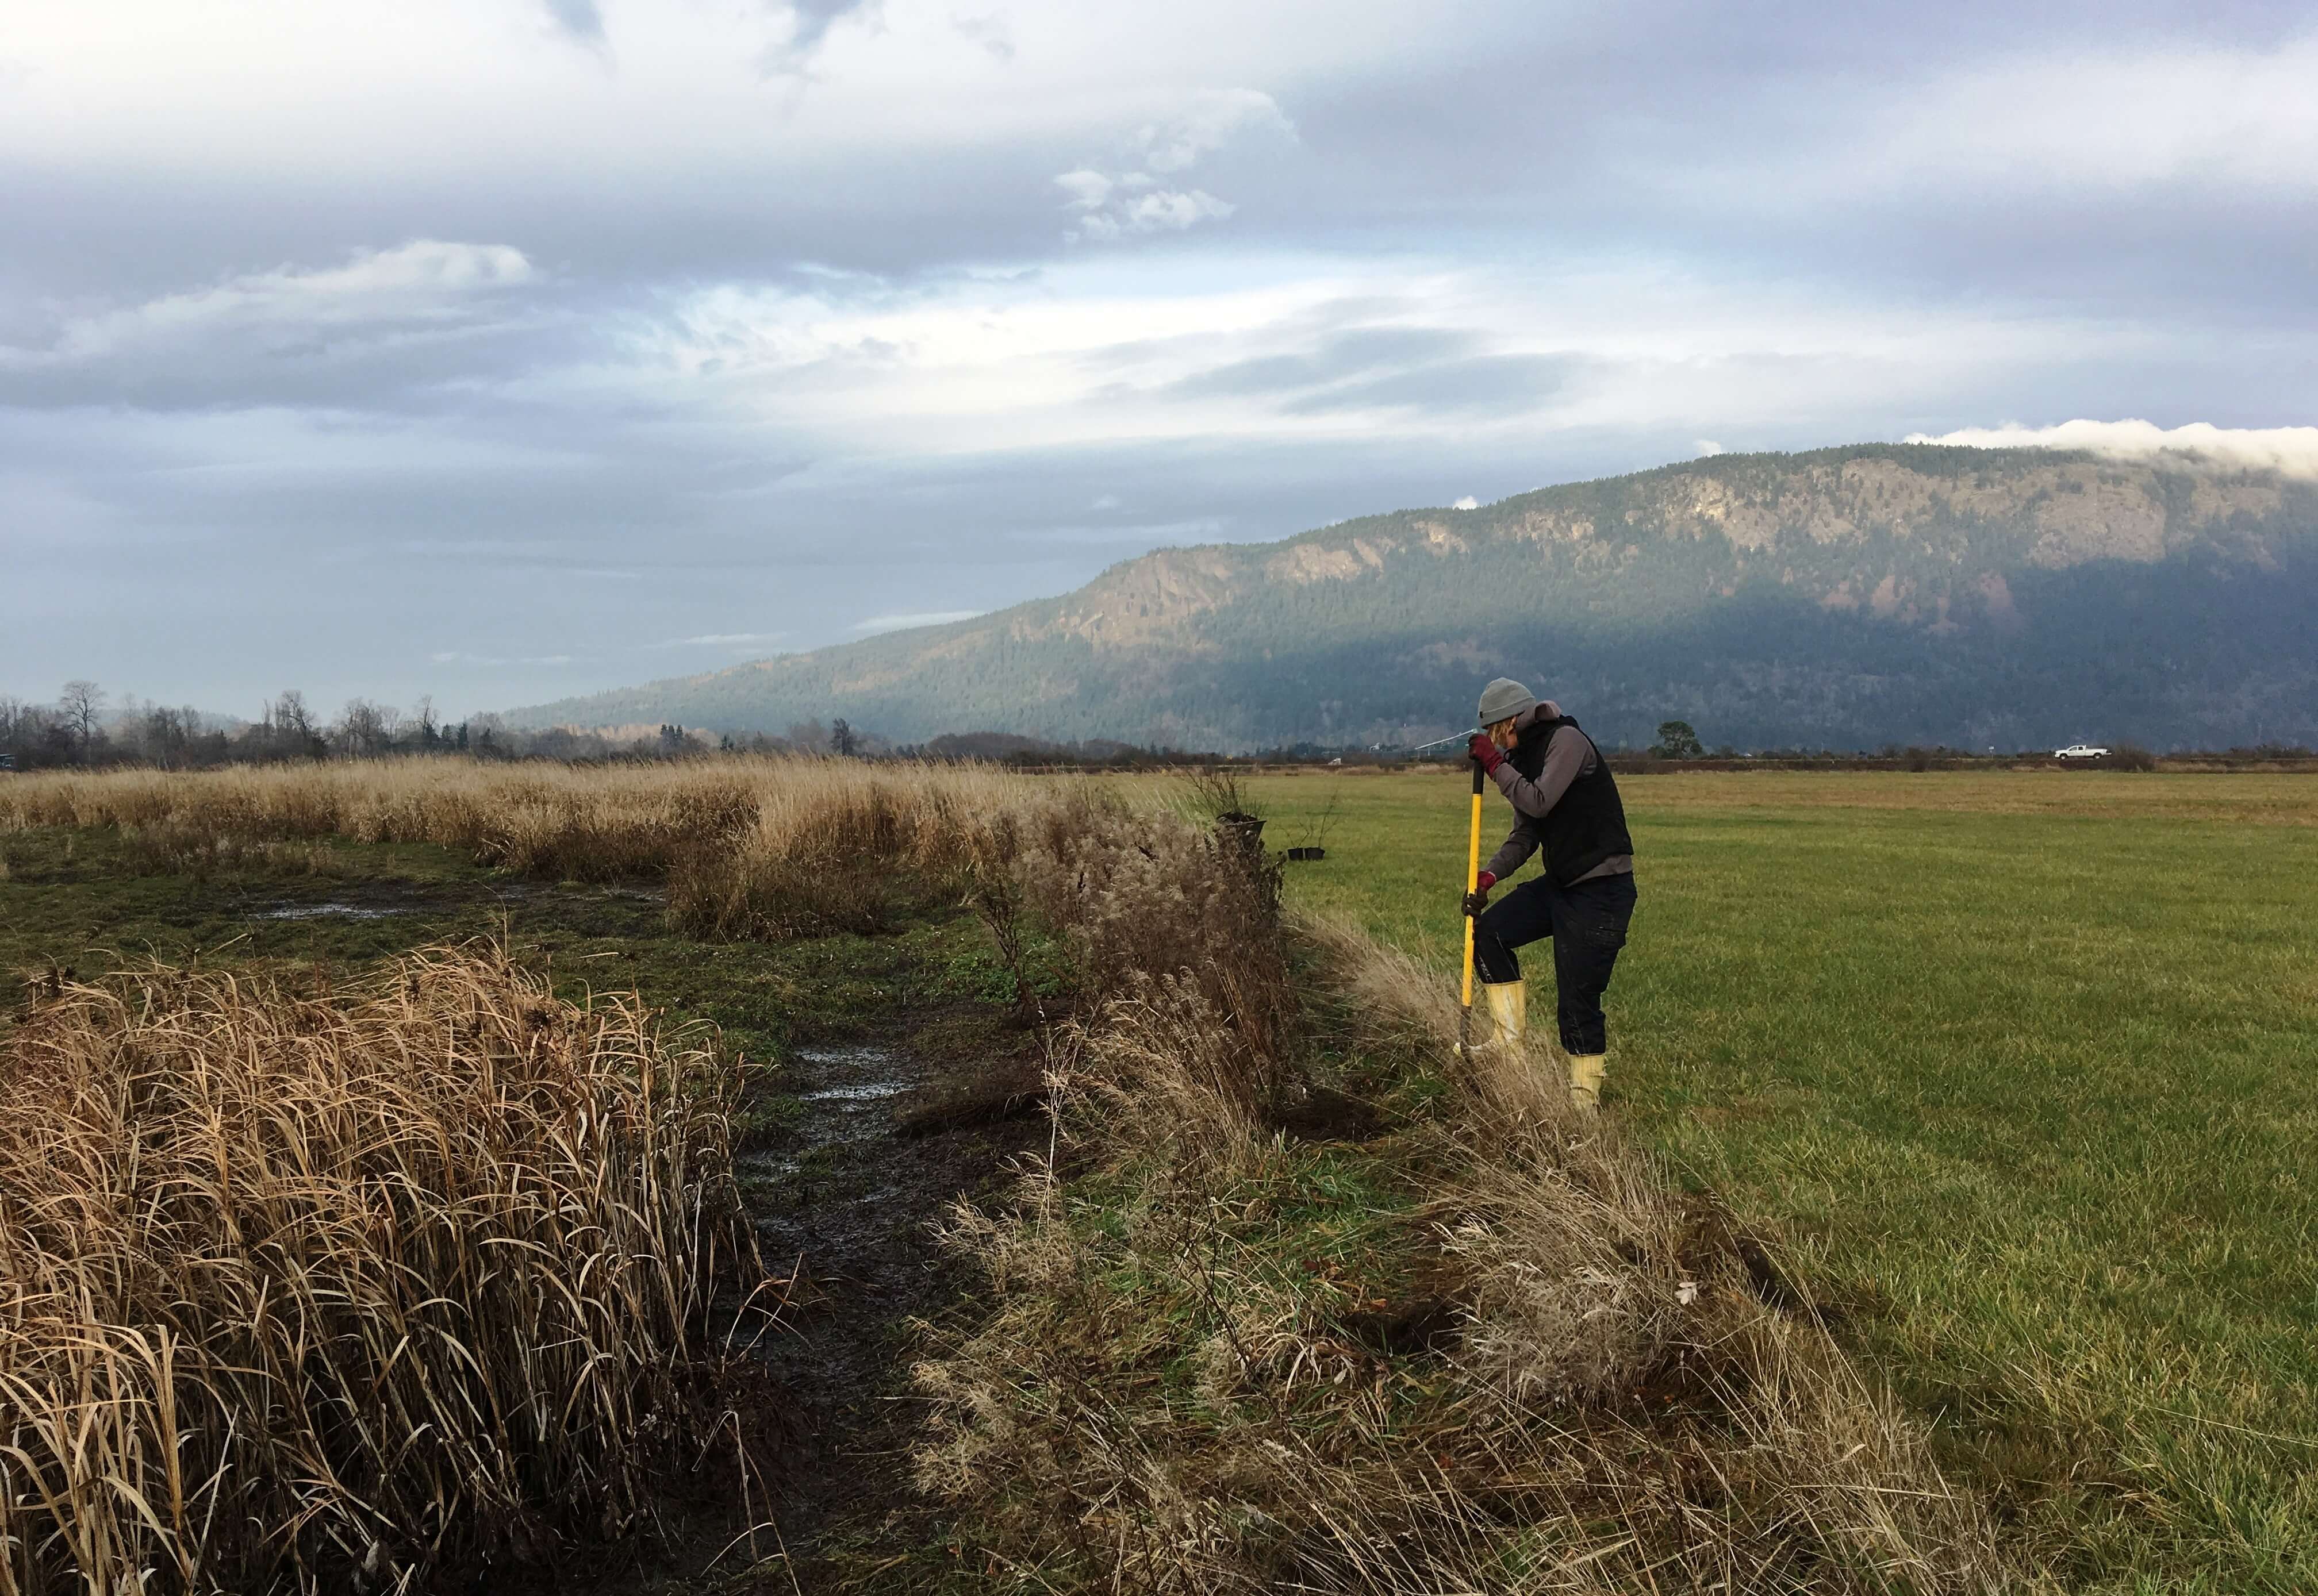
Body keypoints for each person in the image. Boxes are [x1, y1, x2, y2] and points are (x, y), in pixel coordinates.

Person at [1460, 678, 1638, 1109]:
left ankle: (1583, 1103)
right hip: (1561, 884)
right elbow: (1526, 835)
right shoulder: (1522, 758)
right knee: (1491, 932)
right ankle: (1508, 1044)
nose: (1498, 745)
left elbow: (1539, 800)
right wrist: (1489, 876)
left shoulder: (1568, 742)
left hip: (1602, 889)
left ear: (1511, 721)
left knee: (1577, 997)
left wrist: (1494, 766)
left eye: (1497, 735)